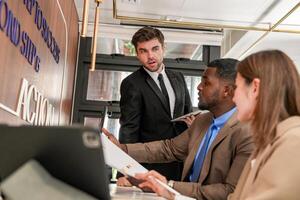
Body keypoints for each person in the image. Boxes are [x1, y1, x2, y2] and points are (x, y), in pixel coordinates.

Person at [103, 58, 254, 199]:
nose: (199, 87)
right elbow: (169, 149)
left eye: (206, 83)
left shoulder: (248, 133)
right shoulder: (203, 120)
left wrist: (168, 186)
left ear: (227, 91)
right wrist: (121, 148)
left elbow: (230, 191)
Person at [118, 26, 193, 181]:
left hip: (180, 162)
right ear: (137, 54)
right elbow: (129, 130)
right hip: (150, 165)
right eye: (143, 51)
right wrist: (124, 171)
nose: (150, 56)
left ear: (163, 48)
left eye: (155, 48)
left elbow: (188, 112)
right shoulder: (131, 83)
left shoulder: (178, 77)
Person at [228, 50, 300, 199]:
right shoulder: (269, 142)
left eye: (236, 88)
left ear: (255, 88)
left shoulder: (293, 142)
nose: (233, 98)